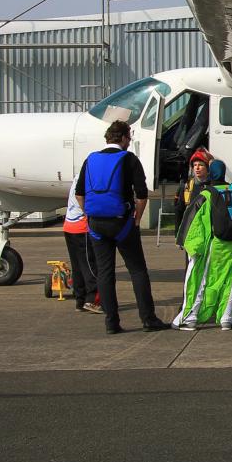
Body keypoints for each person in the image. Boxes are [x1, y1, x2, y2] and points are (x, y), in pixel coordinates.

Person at [75, 119, 166, 335]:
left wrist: (88, 215)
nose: (129, 141)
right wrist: (137, 219)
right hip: (122, 222)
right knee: (137, 270)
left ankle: (111, 322)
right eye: (129, 137)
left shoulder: (90, 159)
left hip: (96, 224)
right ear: (124, 138)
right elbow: (142, 195)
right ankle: (148, 319)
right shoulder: (129, 159)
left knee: (105, 273)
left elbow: (79, 194)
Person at [171, 160, 232, 331]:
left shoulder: (206, 194)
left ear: (211, 173)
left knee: (202, 280)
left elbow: (193, 223)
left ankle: (190, 317)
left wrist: (189, 245)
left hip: (216, 246)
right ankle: (227, 317)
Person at [63, 178, 100, 314]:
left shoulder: (78, 177)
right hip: (81, 226)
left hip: (69, 225)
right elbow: (82, 197)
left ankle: (80, 300)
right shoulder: (89, 178)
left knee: (77, 266)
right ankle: (93, 299)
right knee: (89, 265)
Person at [174, 147, 213, 248]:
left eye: (201, 165)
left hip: (209, 236)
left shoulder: (214, 187)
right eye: (195, 165)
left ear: (208, 168)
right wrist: (178, 235)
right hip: (191, 236)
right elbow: (179, 211)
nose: (197, 168)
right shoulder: (186, 187)